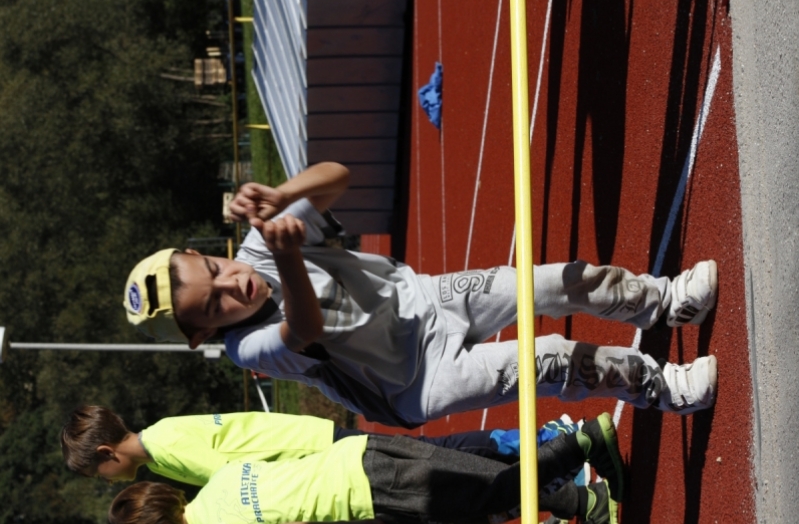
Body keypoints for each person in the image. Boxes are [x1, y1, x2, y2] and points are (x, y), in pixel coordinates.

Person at [123, 162, 718, 428]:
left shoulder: (259, 244)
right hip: (418, 381)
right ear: (204, 333)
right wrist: (286, 258)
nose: (232, 284)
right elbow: (303, 329)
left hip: (426, 300)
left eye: (215, 268)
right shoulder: (246, 347)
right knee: (553, 359)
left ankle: (665, 301)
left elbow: (337, 176)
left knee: (554, 280)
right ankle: (666, 389)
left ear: (206, 250)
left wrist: (283, 195)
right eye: (215, 305)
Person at [107, 413, 625, 524]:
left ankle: (582, 443)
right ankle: (585, 500)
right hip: (356, 457)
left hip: (366, 492)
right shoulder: (216, 485)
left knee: (485, 494)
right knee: (477, 488)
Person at [60, 405, 525, 486]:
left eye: (96, 474)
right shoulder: (160, 451)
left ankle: (528, 445)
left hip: (312, 453)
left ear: (106, 454)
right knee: (425, 458)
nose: (104, 481)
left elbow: (236, 483)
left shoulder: (166, 446)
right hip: (310, 450)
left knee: (428, 458)